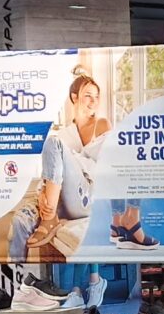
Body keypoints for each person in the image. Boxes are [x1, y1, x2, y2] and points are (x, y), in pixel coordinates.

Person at [26, 71, 109, 253]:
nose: (93, 101)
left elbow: (104, 171)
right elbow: (51, 171)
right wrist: (42, 194)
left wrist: (72, 158)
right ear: (74, 97)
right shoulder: (64, 135)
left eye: (96, 97)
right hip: (68, 201)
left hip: (90, 199)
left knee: (53, 143)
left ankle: (49, 221)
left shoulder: (101, 124)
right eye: (88, 96)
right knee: (21, 219)